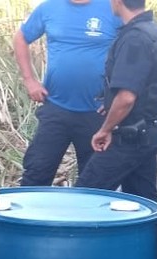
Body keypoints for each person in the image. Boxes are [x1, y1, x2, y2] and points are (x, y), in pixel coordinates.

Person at [13, 0, 120, 187]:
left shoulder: (113, 7)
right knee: (36, 172)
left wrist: (116, 97)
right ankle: (29, 215)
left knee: (94, 181)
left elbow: (133, 47)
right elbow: (20, 37)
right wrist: (30, 80)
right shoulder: (49, 7)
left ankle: (86, 216)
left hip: (97, 112)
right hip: (56, 107)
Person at [74, 0, 157, 203]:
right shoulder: (151, 30)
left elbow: (126, 97)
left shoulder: (135, 38)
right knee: (142, 201)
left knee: (84, 197)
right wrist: (110, 105)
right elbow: (144, 87)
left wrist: (105, 129)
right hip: (147, 129)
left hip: (130, 136)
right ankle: (154, 235)